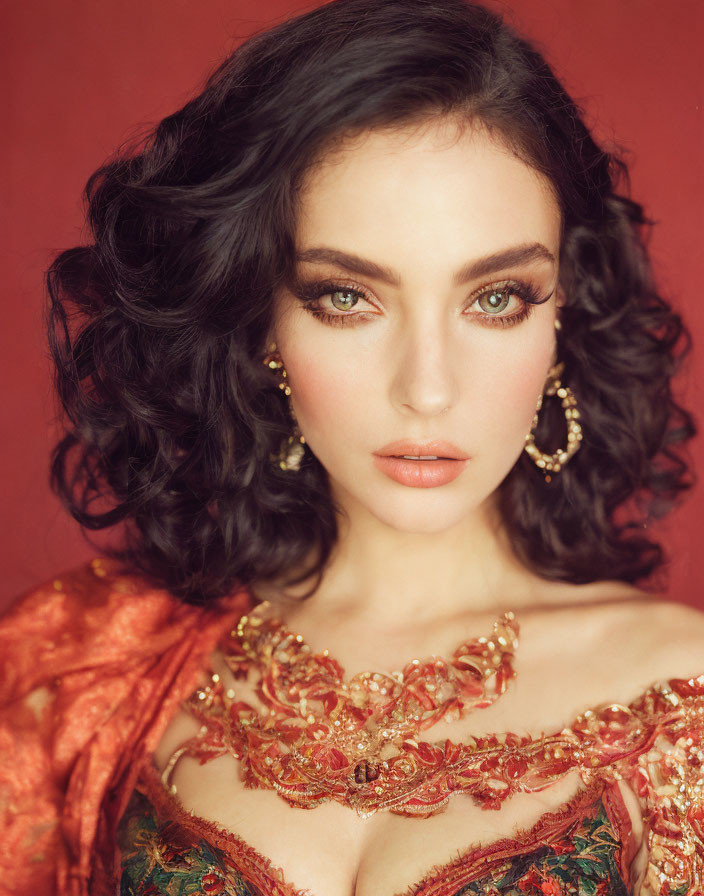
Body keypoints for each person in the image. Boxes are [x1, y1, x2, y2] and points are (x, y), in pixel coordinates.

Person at [1, 0, 702, 893]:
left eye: (496, 298)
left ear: (562, 313)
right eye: (347, 297)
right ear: (262, 322)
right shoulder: (81, 672)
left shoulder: (682, 703)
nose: (428, 387)